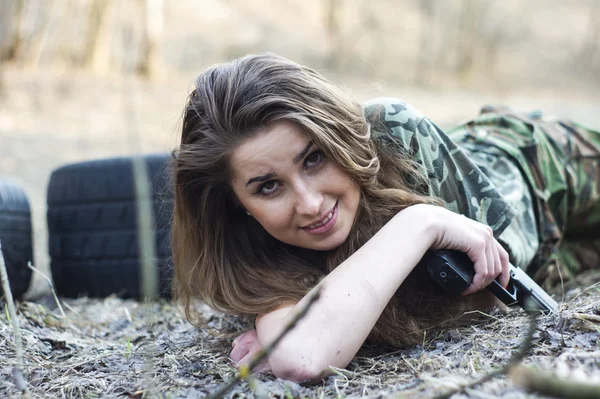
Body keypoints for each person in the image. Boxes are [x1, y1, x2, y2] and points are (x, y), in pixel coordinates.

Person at [171, 53, 600, 383]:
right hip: (558, 254)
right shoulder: (246, 248)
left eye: (315, 159)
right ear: (236, 204)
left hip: (541, 166)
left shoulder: (394, 131)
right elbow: (300, 356)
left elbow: (495, 282)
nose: (310, 204)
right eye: (268, 186)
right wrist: (421, 225)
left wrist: (323, 311)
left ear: (342, 139)